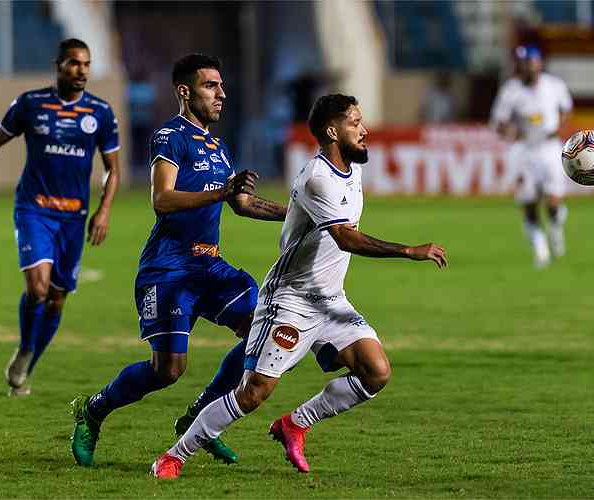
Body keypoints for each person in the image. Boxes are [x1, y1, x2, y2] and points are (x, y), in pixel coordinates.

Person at [153, 93, 448, 479]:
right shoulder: (317, 179)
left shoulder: (351, 169)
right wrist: (409, 250)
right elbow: (345, 238)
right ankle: (174, 455)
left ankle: (295, 423)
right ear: (331, 131)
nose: (364, 129)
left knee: (375, 371)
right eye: (354, 122)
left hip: (330, 300)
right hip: (289, 301)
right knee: (253, 392)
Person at [69, 54, 287, 467]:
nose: (221, 94)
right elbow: (162, 200)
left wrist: (295, 212)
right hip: (168, 269)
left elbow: (240, 203)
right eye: (211, 86)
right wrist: (220, 193)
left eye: (222, 86)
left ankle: (198, 418)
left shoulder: (217, 146)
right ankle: (93, 410)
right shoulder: (169, 137)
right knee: (168, 370)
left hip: (210, 267)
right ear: (185, 91)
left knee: (260, 337)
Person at [0, 38, 121, 396]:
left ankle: (28, 362)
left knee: (56, 298)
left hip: (73, 217)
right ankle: (25, 345)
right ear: (58, 65)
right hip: (34, 208)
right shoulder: (30, 104)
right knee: (37, 288)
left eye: (86, 64)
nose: (80, 70)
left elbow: (111, 169)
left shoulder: (100, 112)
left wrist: (104, 210)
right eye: (73, 63)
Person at [490, 45, 573, 268]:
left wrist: (559, 125)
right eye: (523, 63)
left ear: (538, 63)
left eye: (530, 62)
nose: (527, 66)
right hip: (524, 151)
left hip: (549, 147)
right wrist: (510, 131)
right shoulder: (511, 91)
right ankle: (541, 250)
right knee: (529, 204)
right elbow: (499, 123)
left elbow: (566, 109)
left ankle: (556, 227)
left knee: (553, 201)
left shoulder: (554, 85)